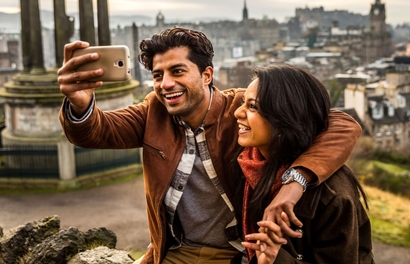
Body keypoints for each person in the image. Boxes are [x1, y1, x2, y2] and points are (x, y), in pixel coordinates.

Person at [58, 27, 362, 264]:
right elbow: (95, 132)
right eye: (157, 75)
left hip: (239, 252)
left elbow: (340, 123)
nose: (165, 84)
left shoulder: (242, 107)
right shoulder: (154, 112)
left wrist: (294, 183)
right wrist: (81, 103)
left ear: (207, 75)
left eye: (177, 71)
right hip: (179, 251)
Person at [234, 64, 374, 264]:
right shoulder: (250, 164)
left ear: (284, 117)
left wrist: (276, 259)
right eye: (242, 103)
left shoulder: (333, 196)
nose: (237, 113)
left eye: (252, 106)